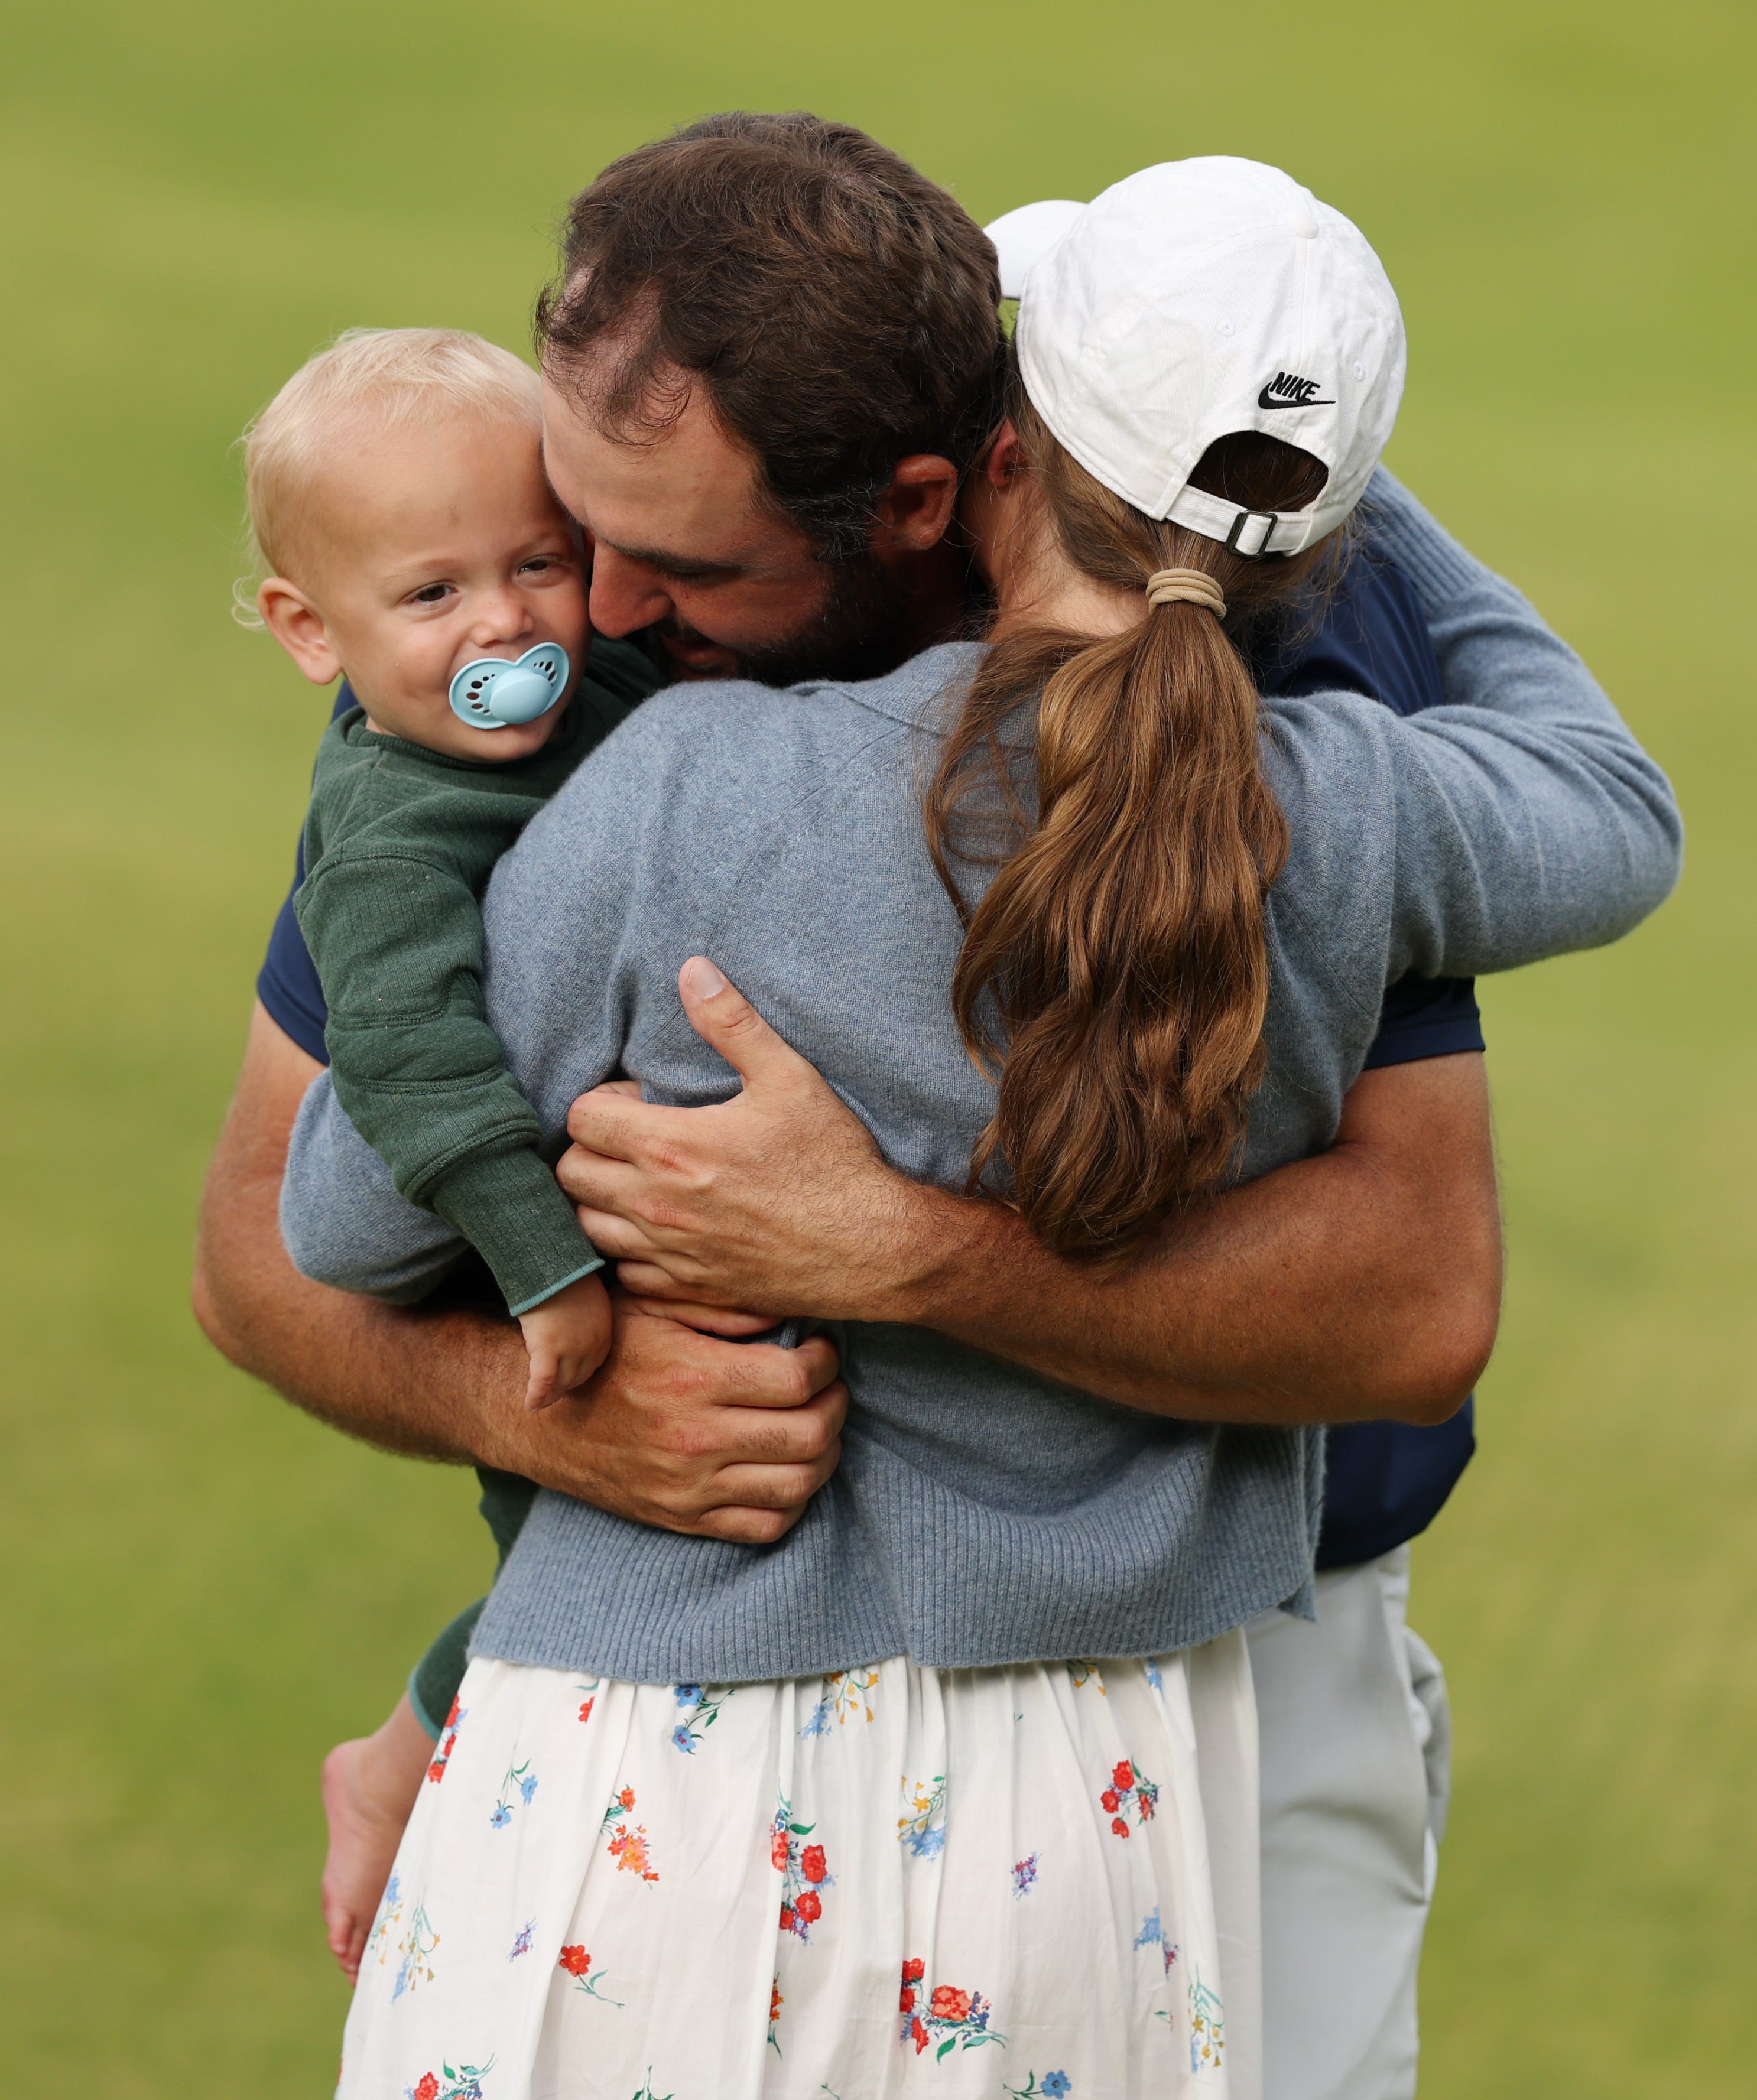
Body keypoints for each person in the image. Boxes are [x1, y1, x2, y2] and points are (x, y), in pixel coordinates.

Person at [271, 152, 1678, 2098]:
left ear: (988, 457)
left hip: (648, 1796)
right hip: (1103, 1819)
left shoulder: (655, 778)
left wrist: (684, 1248)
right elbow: (1615, 811)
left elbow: (331, 1217)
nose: (590, 612)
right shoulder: (1346, 803)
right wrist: (1297, 485)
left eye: (663, 565)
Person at [243, 327, 661, 1409]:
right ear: (310, 630)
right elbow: (418, 1078)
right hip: (550, 1269)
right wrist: (544, 1269)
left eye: (538, 562)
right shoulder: (388, 850)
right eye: (433, 595)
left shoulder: (602, 672)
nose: (505, 620)